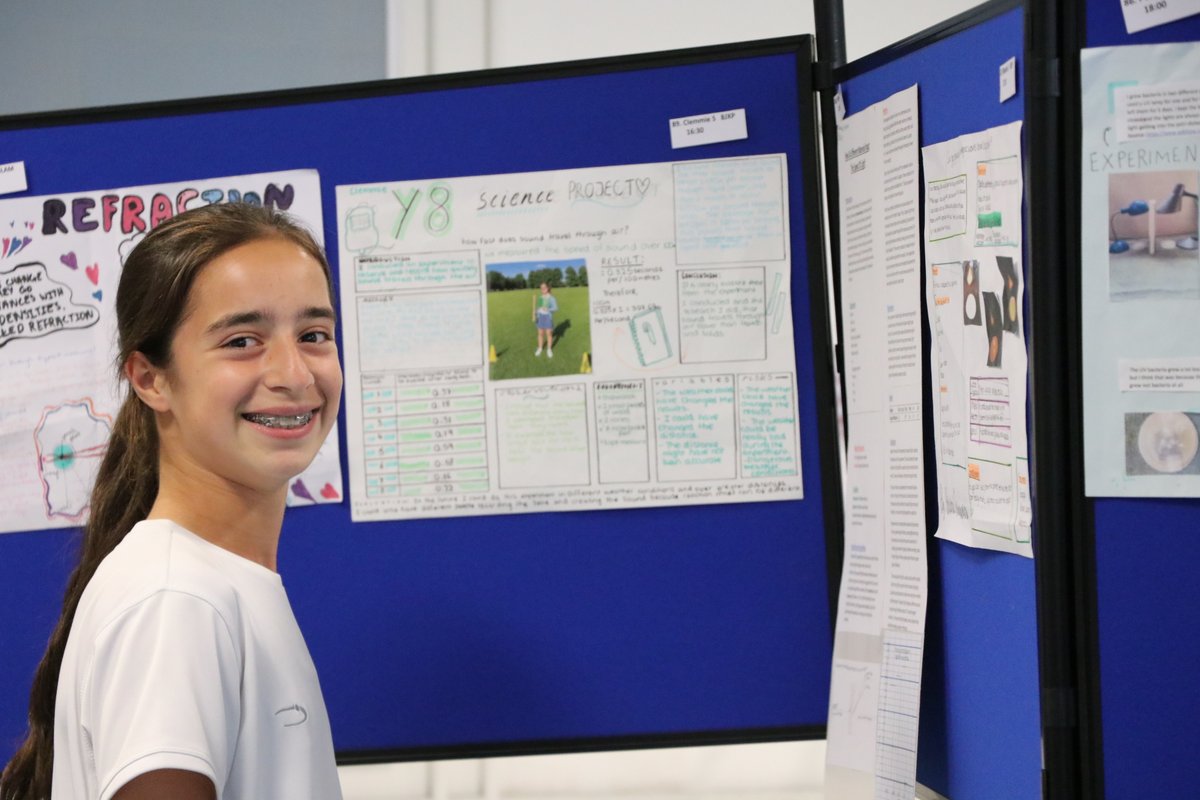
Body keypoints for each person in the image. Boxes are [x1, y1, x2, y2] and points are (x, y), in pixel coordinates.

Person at [0, 203, 344, 800]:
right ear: (150, 379)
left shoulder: (212, 584)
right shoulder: (176, 602)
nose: (294, 373)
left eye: (313, 335)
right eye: (242, 341)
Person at [532, 282, 557, 358]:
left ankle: (549, 349)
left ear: (547, 288)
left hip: (547, 317)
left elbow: (555, 308)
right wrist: (535, 311)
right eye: (541, 288)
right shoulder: (540, 298)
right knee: (540, 334)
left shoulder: (551, 298)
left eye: (544, 287)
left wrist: (548, 309)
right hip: (540, 317)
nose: (543, 289)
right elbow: (539, 308)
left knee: (549, 334)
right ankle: (540, 348)